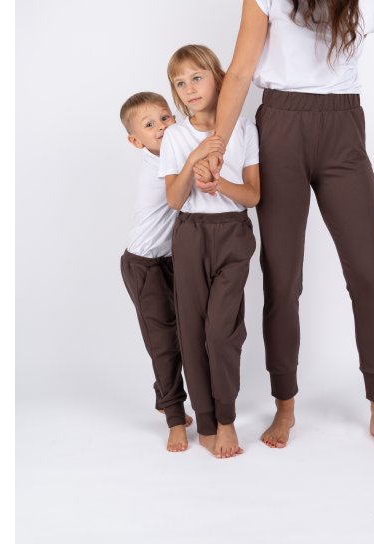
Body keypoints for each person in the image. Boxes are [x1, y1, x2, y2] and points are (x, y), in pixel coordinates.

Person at [200, 0, 374, 458]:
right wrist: (218, 143)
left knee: (368, 274)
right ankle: (285, 404)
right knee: (282, 277)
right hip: (281, 127)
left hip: (342, 130)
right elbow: (240, 70)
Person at [158, 45, 260, 459]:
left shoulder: (244, 129)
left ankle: (226, 418)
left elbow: (253, 195)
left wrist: (220, 185)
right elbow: (174, 199)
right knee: (192, 330)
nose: (189, 88)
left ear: (219, 78)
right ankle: (205, 420)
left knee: (221, 332)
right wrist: (194, 160)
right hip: (190, 235)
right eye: (180, 83)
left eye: (197, 77)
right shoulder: (176, 136)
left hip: (233, 233)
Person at [117, 91, 192, 452]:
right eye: (149, 125)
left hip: (170, 261)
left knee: (181, 335)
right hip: (144, 264)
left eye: (165, 117)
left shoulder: (174, 154)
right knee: (164, 344)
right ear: (136, 141)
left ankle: (165, 397)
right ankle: (175, 419)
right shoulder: (158, 168)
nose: (161, 127)